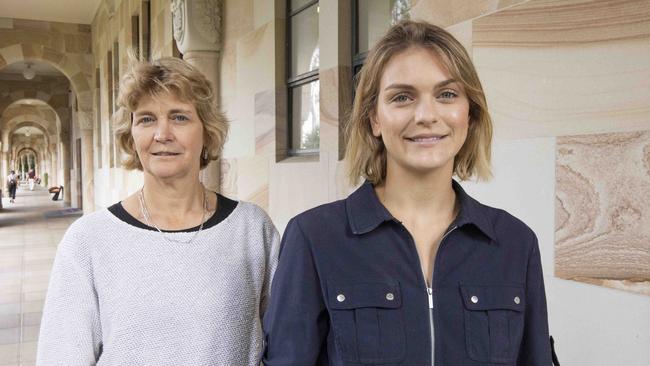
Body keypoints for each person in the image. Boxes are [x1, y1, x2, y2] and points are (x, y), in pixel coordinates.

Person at [263, 21, 553, 365]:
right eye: (402, 97)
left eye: (446, 94)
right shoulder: (314, 238)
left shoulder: (515, 243)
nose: (426, 115)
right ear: (374, 118)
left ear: (469, 113)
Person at [37, 57, 280, 365]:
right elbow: (61, 356)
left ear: (207, 131)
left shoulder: (251, 229)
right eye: (147, 119)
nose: (162, 134)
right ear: (131, 135)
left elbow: (286, 344)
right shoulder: (88, 241)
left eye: (179, 117)